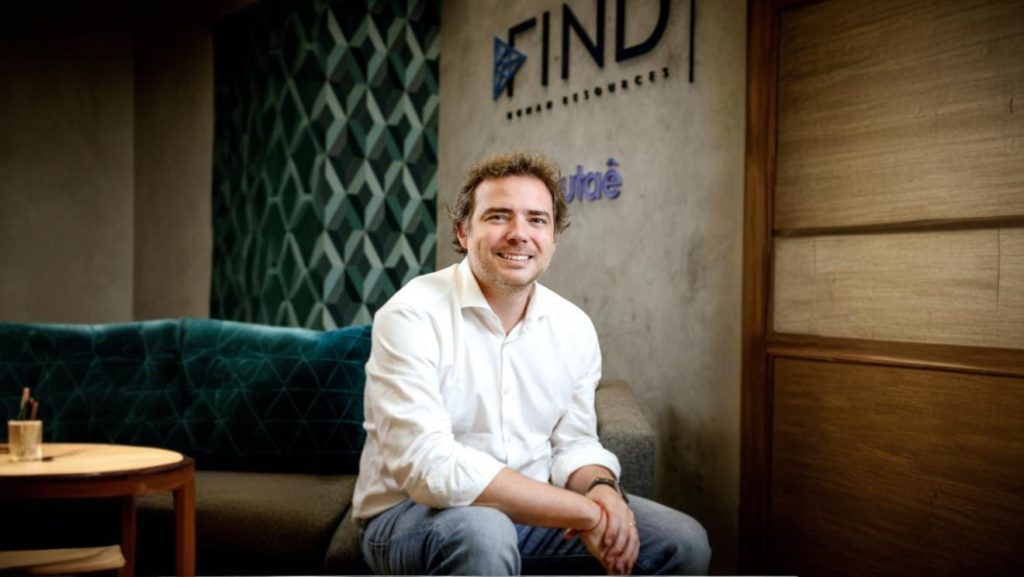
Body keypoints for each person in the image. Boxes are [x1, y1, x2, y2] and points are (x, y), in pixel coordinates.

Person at [352, 151, 711, 575]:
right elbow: (430, 468)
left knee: (682, 540)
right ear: (464, 231)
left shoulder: (573, 326)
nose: (519, 234)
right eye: (498, 216)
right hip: (409, 514)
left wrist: (603, 492)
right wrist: (583, 513)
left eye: (537, 220)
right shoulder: (411, 314)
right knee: (484, 532)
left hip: (535, 515)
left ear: (554, 237)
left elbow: (574, 444)